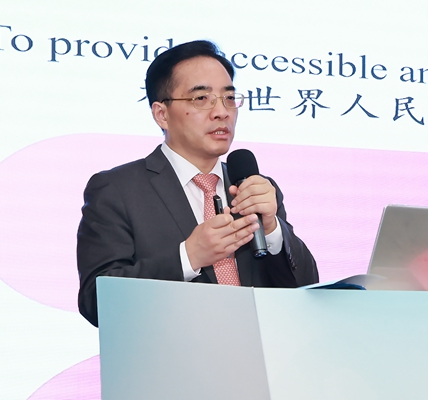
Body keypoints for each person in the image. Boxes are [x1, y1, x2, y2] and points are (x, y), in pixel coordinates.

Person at [77, 40, 318, 327]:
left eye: (229, 98)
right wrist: (188, 257)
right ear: (161, 114)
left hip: (261, 352)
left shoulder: (255, 189)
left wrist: (272, 230)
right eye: (201, 98)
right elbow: (96, 302)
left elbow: (306, 289)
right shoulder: (117, 190)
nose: (222, 112)